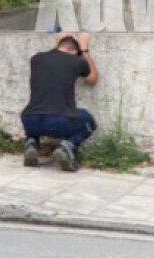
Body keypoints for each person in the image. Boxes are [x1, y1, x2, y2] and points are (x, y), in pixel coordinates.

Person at [20, 32, 99, 171]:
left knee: (36, 110)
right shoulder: (77, 61)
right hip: (59, 123)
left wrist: (57, 43)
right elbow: (92, 79)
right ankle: (67, 146)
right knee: (88, 120)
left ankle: (31, 143)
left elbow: (55, 57)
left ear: (58, 45)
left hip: (29, 120)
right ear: (75, 51)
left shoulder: (37, 59)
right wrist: (85, 50)